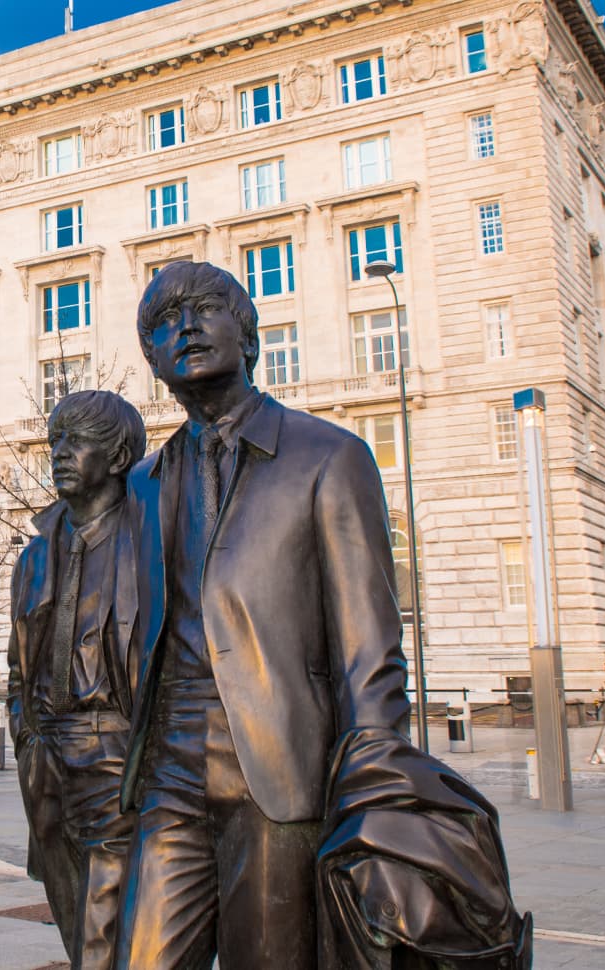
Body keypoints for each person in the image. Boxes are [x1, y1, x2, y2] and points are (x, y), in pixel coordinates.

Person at [117, 261, 411, 969]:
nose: (184, 327)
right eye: (162, 323)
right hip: (170, 767)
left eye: (204, 309)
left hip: (279, 766)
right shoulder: (143, 484)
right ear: (154, 361)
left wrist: (378, 791)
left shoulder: (329, 457)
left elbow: (369, 649)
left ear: (247, 337)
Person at [7, 390, 145, 970]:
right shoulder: (36, 554)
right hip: (46, 757)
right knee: (72, 917)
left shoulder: (150, 543)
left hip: (116, 752)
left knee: (103, 934)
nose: (59, 452)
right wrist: (25, 734)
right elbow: (19, 666)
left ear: (116, 457)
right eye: (55, 439)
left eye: (76, 440)